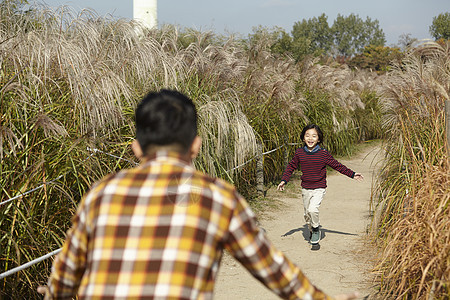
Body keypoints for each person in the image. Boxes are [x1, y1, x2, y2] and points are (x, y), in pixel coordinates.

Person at [38, 90, 359, 299]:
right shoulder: (217, 197)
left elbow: (65, 277)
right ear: (196, 145)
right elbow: (275, 272)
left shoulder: (100, 194)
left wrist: (53, 293)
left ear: (135, 147)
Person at [277, 124, 364, 245]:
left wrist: (352, 174)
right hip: (306, 188)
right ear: (303, 138)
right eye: (307, 136)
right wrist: (284, 180)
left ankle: (316, 229)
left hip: (319, 187)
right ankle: (312, 228)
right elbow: (291, 166)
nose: (310, 138)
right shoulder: (299, 153)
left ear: (319, 139)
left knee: (313, 209)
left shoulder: (323, 154)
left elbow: (337, 165)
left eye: (314, 136)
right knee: (307, 214)